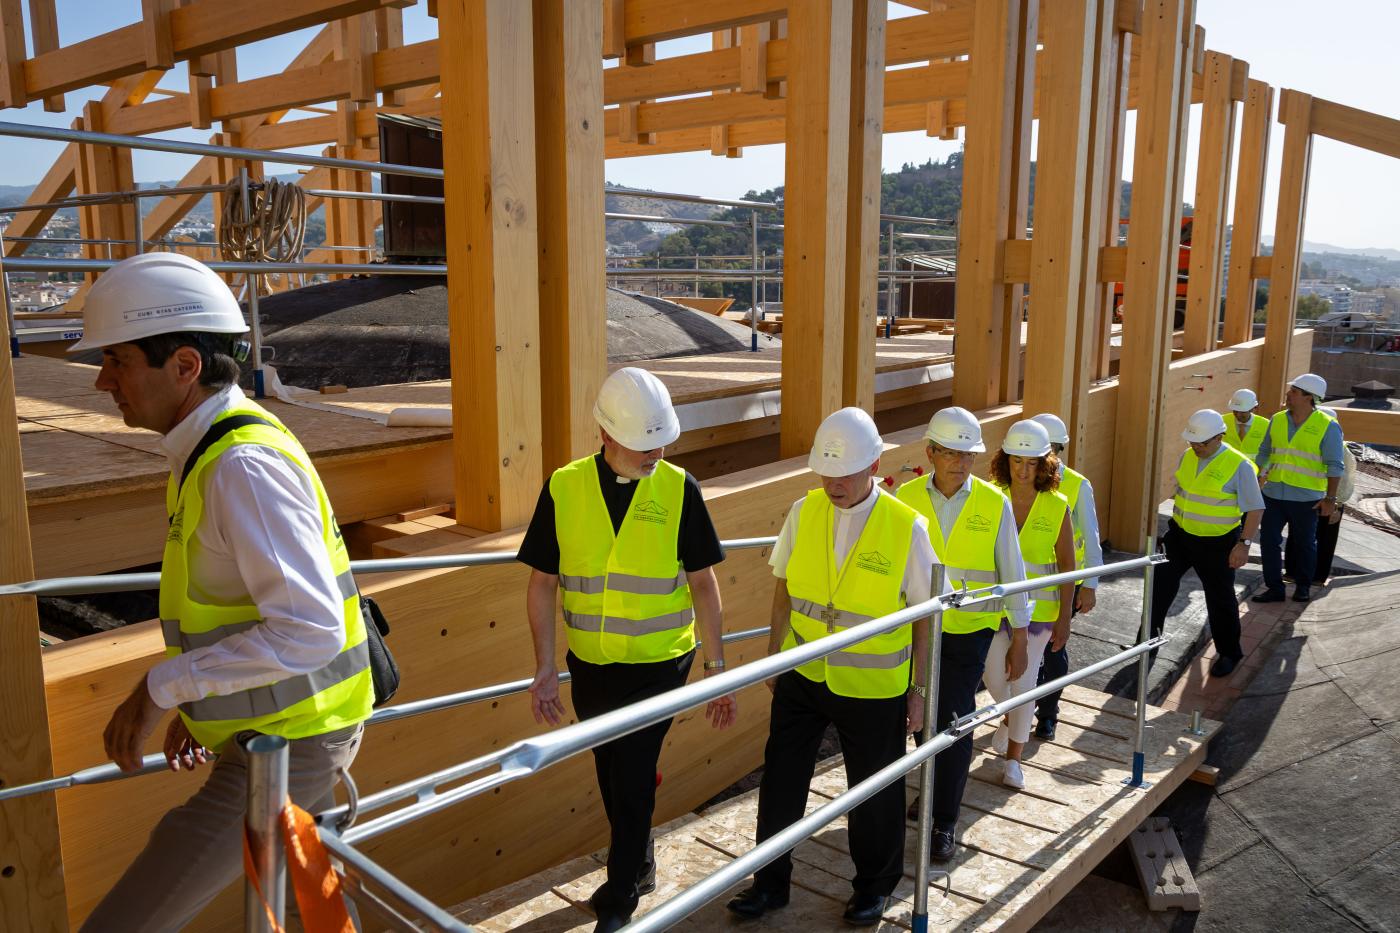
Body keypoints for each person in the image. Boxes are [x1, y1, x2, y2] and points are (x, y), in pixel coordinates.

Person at [79, 252, 373, 929]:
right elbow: (243, 605)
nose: (101, 380)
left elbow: (309, 630)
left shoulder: (241, 465)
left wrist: (162, 688)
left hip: (292, 739)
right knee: (306, 901)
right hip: (280, 728)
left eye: (117, 360)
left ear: (185, 365)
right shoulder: (212, 448)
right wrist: (205, 700)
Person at [519, 367, 736, 933]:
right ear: (606, 434)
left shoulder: (679, 488)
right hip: (591, 666)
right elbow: (542, 583)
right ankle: (639, 863)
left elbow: (704, 583)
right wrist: (545, 668)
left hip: (662, 664)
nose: (656, 453)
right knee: (611, 772)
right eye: (644, 444)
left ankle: (619, 900)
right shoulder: (564, 487)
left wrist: (716, 668)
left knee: (634, 774)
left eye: (662, 442)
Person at [726, 407, 937, 927]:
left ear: (874, 465)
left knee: (874, 791)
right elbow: (783, 588)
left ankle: (873, 888)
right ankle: (769, 883)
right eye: (825, 473)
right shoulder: (804, 511)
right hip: (803, 673)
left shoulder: (907, 527)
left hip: (872, 685)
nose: (833, 484)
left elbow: (927, 616)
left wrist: (919, 690)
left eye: (844, 474)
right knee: (781, 780)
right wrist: (774, 656)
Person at [896, 407, 1030, 862]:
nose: (960, 462)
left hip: (969, 632)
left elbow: (1012, 570)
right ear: (930, 453)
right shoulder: (904, 498)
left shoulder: (994, 502)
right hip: (915, 631)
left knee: (953, 720)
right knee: (920, 716)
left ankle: (943, 821)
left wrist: (1020, 635)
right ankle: (932, 790)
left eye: (968, 454)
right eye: (951, 453)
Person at [985, 421, 1075, 788]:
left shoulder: (1057, 506)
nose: (1023, 470)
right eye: (1017, 461)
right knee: (994, 676)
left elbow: (1067, 566)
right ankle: (1011, 717)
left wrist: (1065, 618)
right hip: (993, 610)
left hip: (1040, 614)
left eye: (1032, 462)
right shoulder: (989, 497)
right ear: (1005, 460)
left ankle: (1013, 761)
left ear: (1044, 465)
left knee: (1023, 682)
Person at [1151, 410, 1264, 677]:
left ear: (1219, 437)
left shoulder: (1239, 465)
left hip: (1217, 544)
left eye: (1201, 443)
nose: (1196, 447)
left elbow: (1255, 508)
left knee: (1220, 599)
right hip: (1180, 537)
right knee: (1159, 587)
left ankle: (1229, 653)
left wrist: (1244, 544)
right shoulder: (1187, 456)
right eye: (1192, 441)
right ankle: (1147, 641)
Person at [1028, 412, 1103, 742]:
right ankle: (1019, 710)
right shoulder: (1017, 481)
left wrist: (1090, 585)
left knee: (1052, 650)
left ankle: (1047, 714)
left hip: (1062, 586)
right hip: (1023, 585)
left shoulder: (1076, 485)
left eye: (1052, 450)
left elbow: (1092, 536)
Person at [1252, 373, 1345, 604]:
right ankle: (1275, 588)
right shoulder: (1277, 419)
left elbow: (1335, 465)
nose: (1288, 394)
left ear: (1308, 397)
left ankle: (1303, 587)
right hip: (1273, 494)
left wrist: (1330, 499)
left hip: (1306, 498)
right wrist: (1258, 475)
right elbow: (1264, 451)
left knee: (1305, 544)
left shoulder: (1328, 426)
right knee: (1268, 542)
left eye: (1293, 391)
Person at [1223, 388, 1268, 460]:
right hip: (1227, 466)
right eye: (1235, 411)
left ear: (1253, 409)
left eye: (1242, 412)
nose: (1238, 415)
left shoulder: (1266, 425)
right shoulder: (1222, 421)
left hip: (1253, 467)